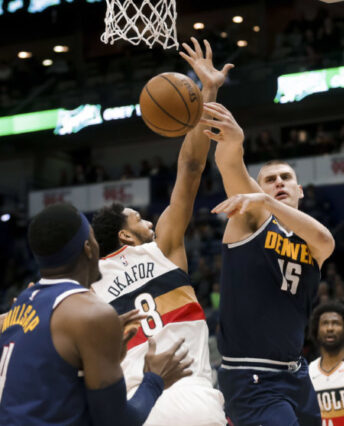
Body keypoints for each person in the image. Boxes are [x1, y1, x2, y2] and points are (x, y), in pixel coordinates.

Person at [90, 38, 231, 426]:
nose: (150, 222)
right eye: (139, 218)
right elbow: (190, 169)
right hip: (193, 398)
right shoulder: (164, 248)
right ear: (124, 234)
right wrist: (208, 91)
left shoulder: (87, 287)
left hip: (137, 407)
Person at [200, 101, 335, 425]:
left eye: (285, 177)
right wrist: (233, 143)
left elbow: (325, 240)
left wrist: (265, 198)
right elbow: (230, 166)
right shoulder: (253, 220)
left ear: (299, 189)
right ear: (255, 191)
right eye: (269, 179)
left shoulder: (311, 239)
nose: (278, 182)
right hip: (251, 375)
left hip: (295, 372)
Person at [0, 203, 190, 424]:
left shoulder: (23, 302)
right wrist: (154, 379)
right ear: (89, 248)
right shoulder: (90, 314)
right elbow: (118, 421)